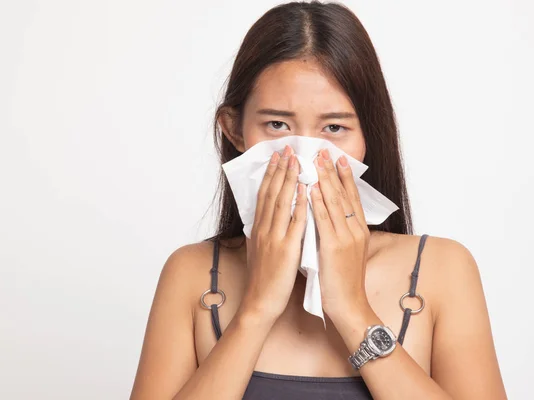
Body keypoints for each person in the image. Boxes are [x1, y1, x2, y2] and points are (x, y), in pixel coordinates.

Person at [130, 1, 507, 399]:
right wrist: (256, 309)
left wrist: (351, 309)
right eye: (277, 124)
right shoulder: (191, 275)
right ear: (234, 131)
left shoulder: (441, 270)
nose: (305, 159)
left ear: (367, 137)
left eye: (333, 127)